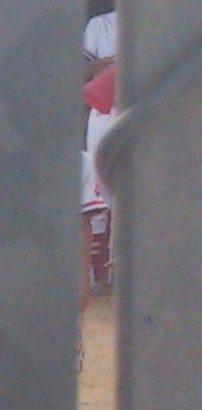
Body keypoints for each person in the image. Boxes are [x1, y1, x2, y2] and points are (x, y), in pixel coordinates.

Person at [87, 66, 121, 298]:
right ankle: (99, 275)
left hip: (111, 110)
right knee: (103, 196)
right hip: (108, 111)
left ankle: (104, 274)